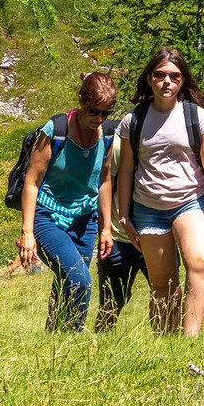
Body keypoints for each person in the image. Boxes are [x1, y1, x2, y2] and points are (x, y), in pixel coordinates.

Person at [115, 45, 204, 338]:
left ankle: (190, 341)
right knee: (162, 284)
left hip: (190, 202)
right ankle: (166, 346)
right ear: (150, 78)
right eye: (160, 75)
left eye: (174, 76)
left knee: (200, 263)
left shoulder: (196, 116)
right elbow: (125, 170)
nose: (167, 82)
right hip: (147, 208)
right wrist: (123, 216)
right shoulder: (132, 121)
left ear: (182, 80)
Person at [18, 69, 118, 332]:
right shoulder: (56, 130)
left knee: (67, 282)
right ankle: (72, 336)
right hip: (48, 217)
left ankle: (54, 337)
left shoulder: (108, 134)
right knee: (80, 280)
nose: (99, 119)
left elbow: (105, 180)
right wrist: (27, 233)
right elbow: (31, 183)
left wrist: (106, 227)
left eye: (106, 113)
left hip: (85, 221)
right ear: (81, 100)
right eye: (94, 111)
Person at [94, 112, 145, 332]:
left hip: (157, 234)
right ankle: (98, 348)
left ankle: (169, 347)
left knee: (169, 296)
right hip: (118, 236)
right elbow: (105, 185)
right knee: (112, 304)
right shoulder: (119, 142)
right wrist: (105, 231)